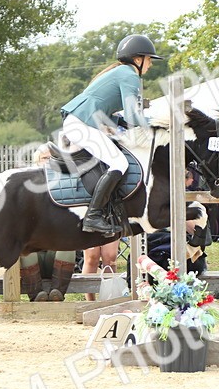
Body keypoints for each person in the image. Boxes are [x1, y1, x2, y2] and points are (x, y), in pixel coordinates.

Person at [59, 33, 161, 235]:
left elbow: (119, 116)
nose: (150, 65)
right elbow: (133, 115)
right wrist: (158, 123)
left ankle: (107, 211)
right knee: (119, 163)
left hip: (81, 122)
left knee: (114, 160)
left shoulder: (123, 72)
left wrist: (123, 121)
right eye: (149, 59)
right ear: (138, 59)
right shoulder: (129, 75)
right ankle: (93, 216)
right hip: (81, 123)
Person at [20, 147, 79, 301]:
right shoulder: (27, 187)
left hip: (55, 249)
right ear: (36, 162)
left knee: (69, 249)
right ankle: (36, 295)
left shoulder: (63, 187)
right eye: (44, 158)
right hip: (35, 250)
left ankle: (57, 293)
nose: (47, 162)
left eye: (50, 159)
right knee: (26, 252)